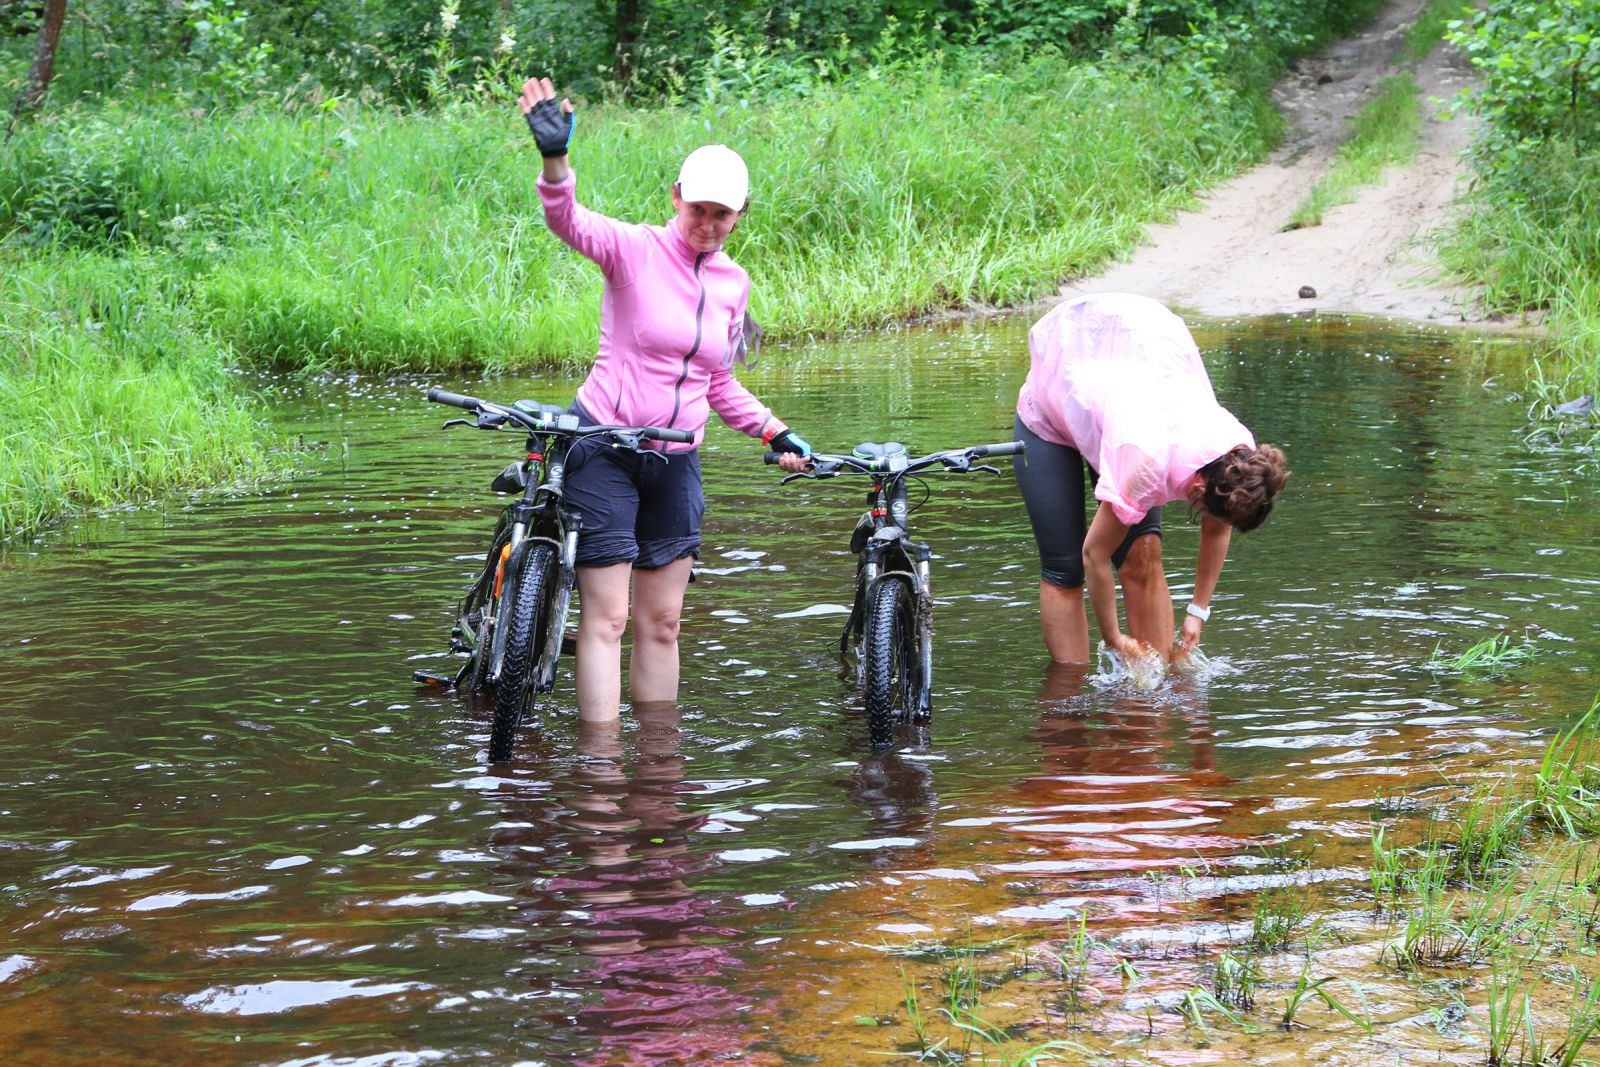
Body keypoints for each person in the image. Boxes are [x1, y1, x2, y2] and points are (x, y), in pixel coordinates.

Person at [518, 76, 811, 723]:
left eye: (722, 213)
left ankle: (658, 771)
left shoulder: (735, 284)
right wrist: (555, 160)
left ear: (741, 214)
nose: (708, 223)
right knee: (610, 617)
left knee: (664, 620)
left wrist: (775, 431)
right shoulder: (634, 250)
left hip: (678, 459)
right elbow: (566, 219)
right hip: (604, 445)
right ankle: (599, 772)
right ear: (676, 197)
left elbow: (719, 381)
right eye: (697, 207)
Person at [1012, 292, 1289, 666]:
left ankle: (1150, 711)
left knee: (1143, 553)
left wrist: (1198, 612)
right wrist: (1115, 639)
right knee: (1066, 568)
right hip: (1058, 399)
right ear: (1197, 488)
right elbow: (1095, 556)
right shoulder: (1146, 461)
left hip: (1131, 381)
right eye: (1203, 507)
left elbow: (1219, 523)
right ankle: (1068, 708)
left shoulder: (1238, 455)